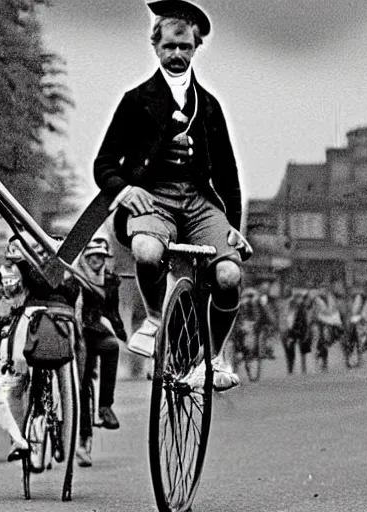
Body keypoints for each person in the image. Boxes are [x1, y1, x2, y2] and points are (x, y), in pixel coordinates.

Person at [93, 0, 252, 391]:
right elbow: (104, 164)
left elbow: (228, 173)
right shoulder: (135, 101)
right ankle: (155, 319)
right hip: (152, 198)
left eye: (184, 47)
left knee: (229, 275)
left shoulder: (209, 106)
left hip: (200, 202)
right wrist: (126, 190)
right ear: (156, 47)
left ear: (196, 48)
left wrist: (234, 225)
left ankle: (211, 358)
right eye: (169, 47)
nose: (177, 55)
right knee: (147, 251)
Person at [0, 233, 80, 465]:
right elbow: (12, 295)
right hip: (28, 320)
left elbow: (71, 293)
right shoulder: (20, 269)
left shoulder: (68, 272)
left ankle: (72, 434)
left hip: (60, 324)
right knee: (14, 370)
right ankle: (18, 436)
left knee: (76, 375)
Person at [72, 236, 127, 467]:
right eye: (93, 256)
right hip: (75, 333)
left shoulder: (110, 280)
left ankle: (105, 406)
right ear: (85, 257)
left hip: (95, 329)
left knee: (112, 346)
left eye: (101, 256)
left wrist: (121, 332)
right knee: (82, 383)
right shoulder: (73, 277)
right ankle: (83, 439)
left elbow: (112, 311)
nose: (97, 260)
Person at [279, 289, 310, 375]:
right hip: (288, 329)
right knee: (290, 350)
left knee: (301, 345)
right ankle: (291, 369)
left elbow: (305, 319)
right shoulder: (286, 304)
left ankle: (299, 368)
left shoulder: (301, 306)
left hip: (297, 328)